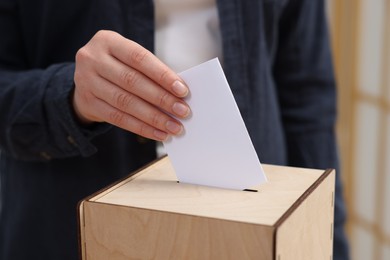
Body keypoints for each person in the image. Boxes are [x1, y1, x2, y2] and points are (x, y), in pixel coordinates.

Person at [0, 0, 350, 259]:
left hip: (251, 218)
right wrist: (71, 96)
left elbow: (306, 94)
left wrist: (327, 239)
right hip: (69, 216)